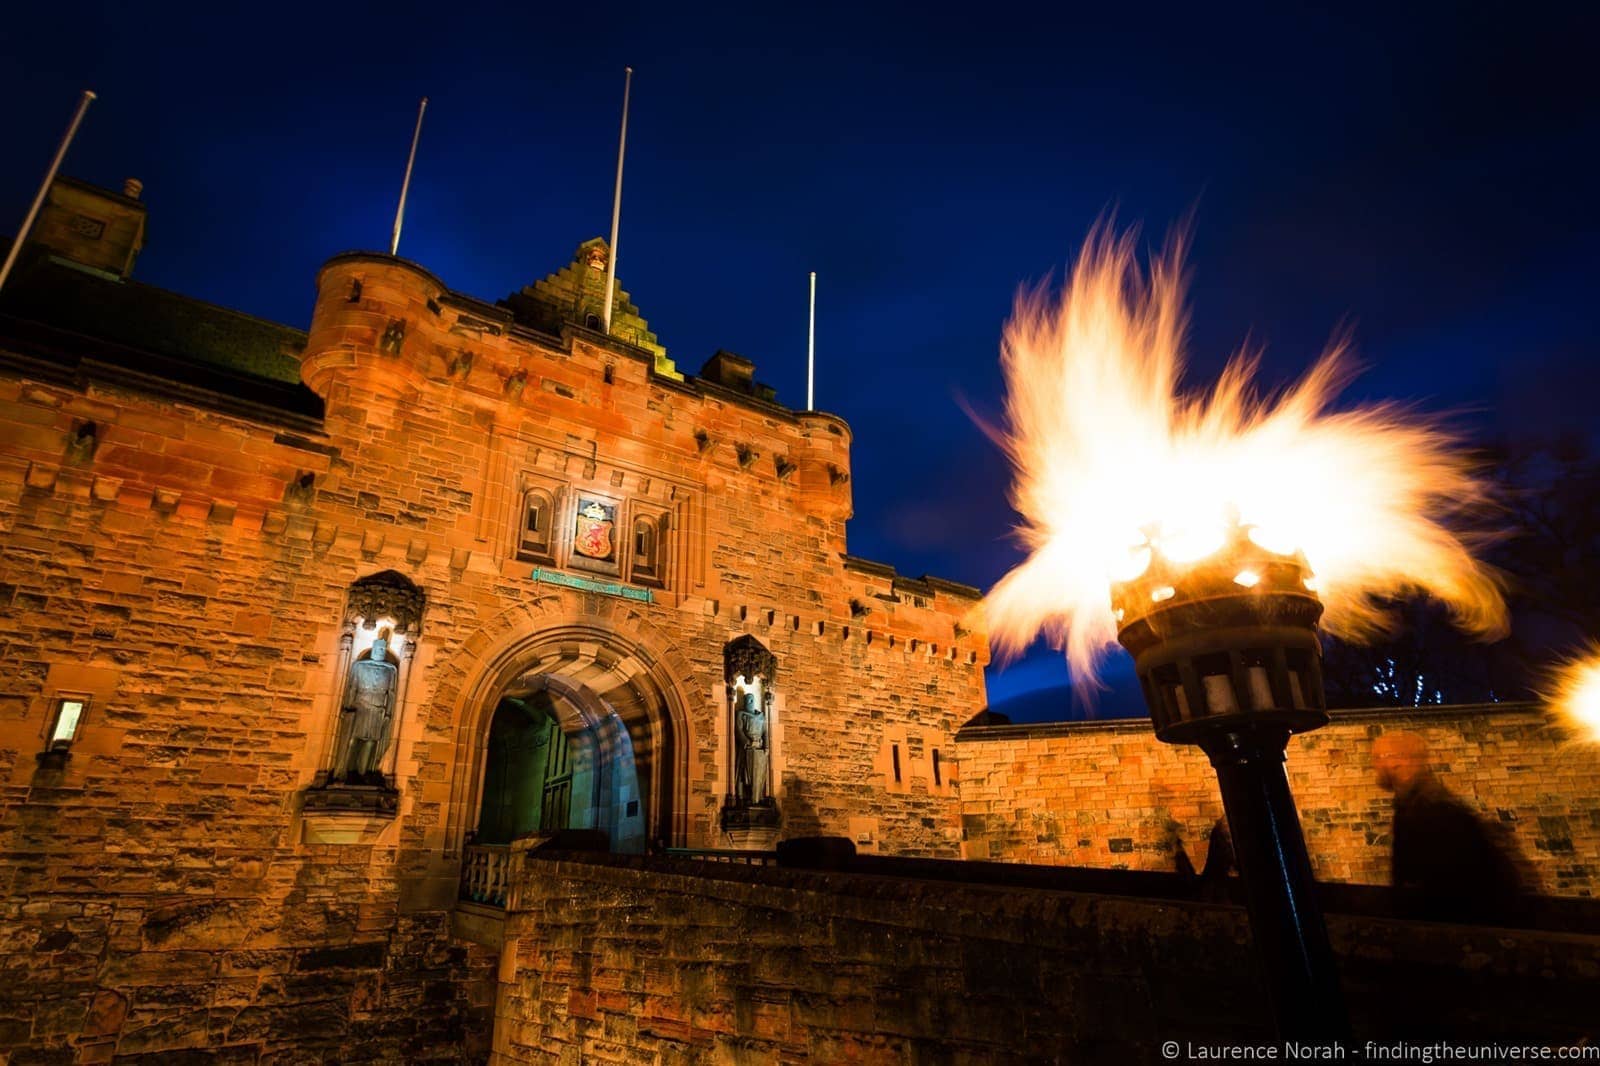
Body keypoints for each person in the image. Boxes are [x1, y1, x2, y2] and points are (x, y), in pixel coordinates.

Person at [1372, 731, 1525, 925]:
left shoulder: (1429, 807)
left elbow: (1444, 879)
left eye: (1379, 757)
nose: (1375, 764)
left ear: (1400, 760)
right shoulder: (1414, 801)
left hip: (1463, 920)